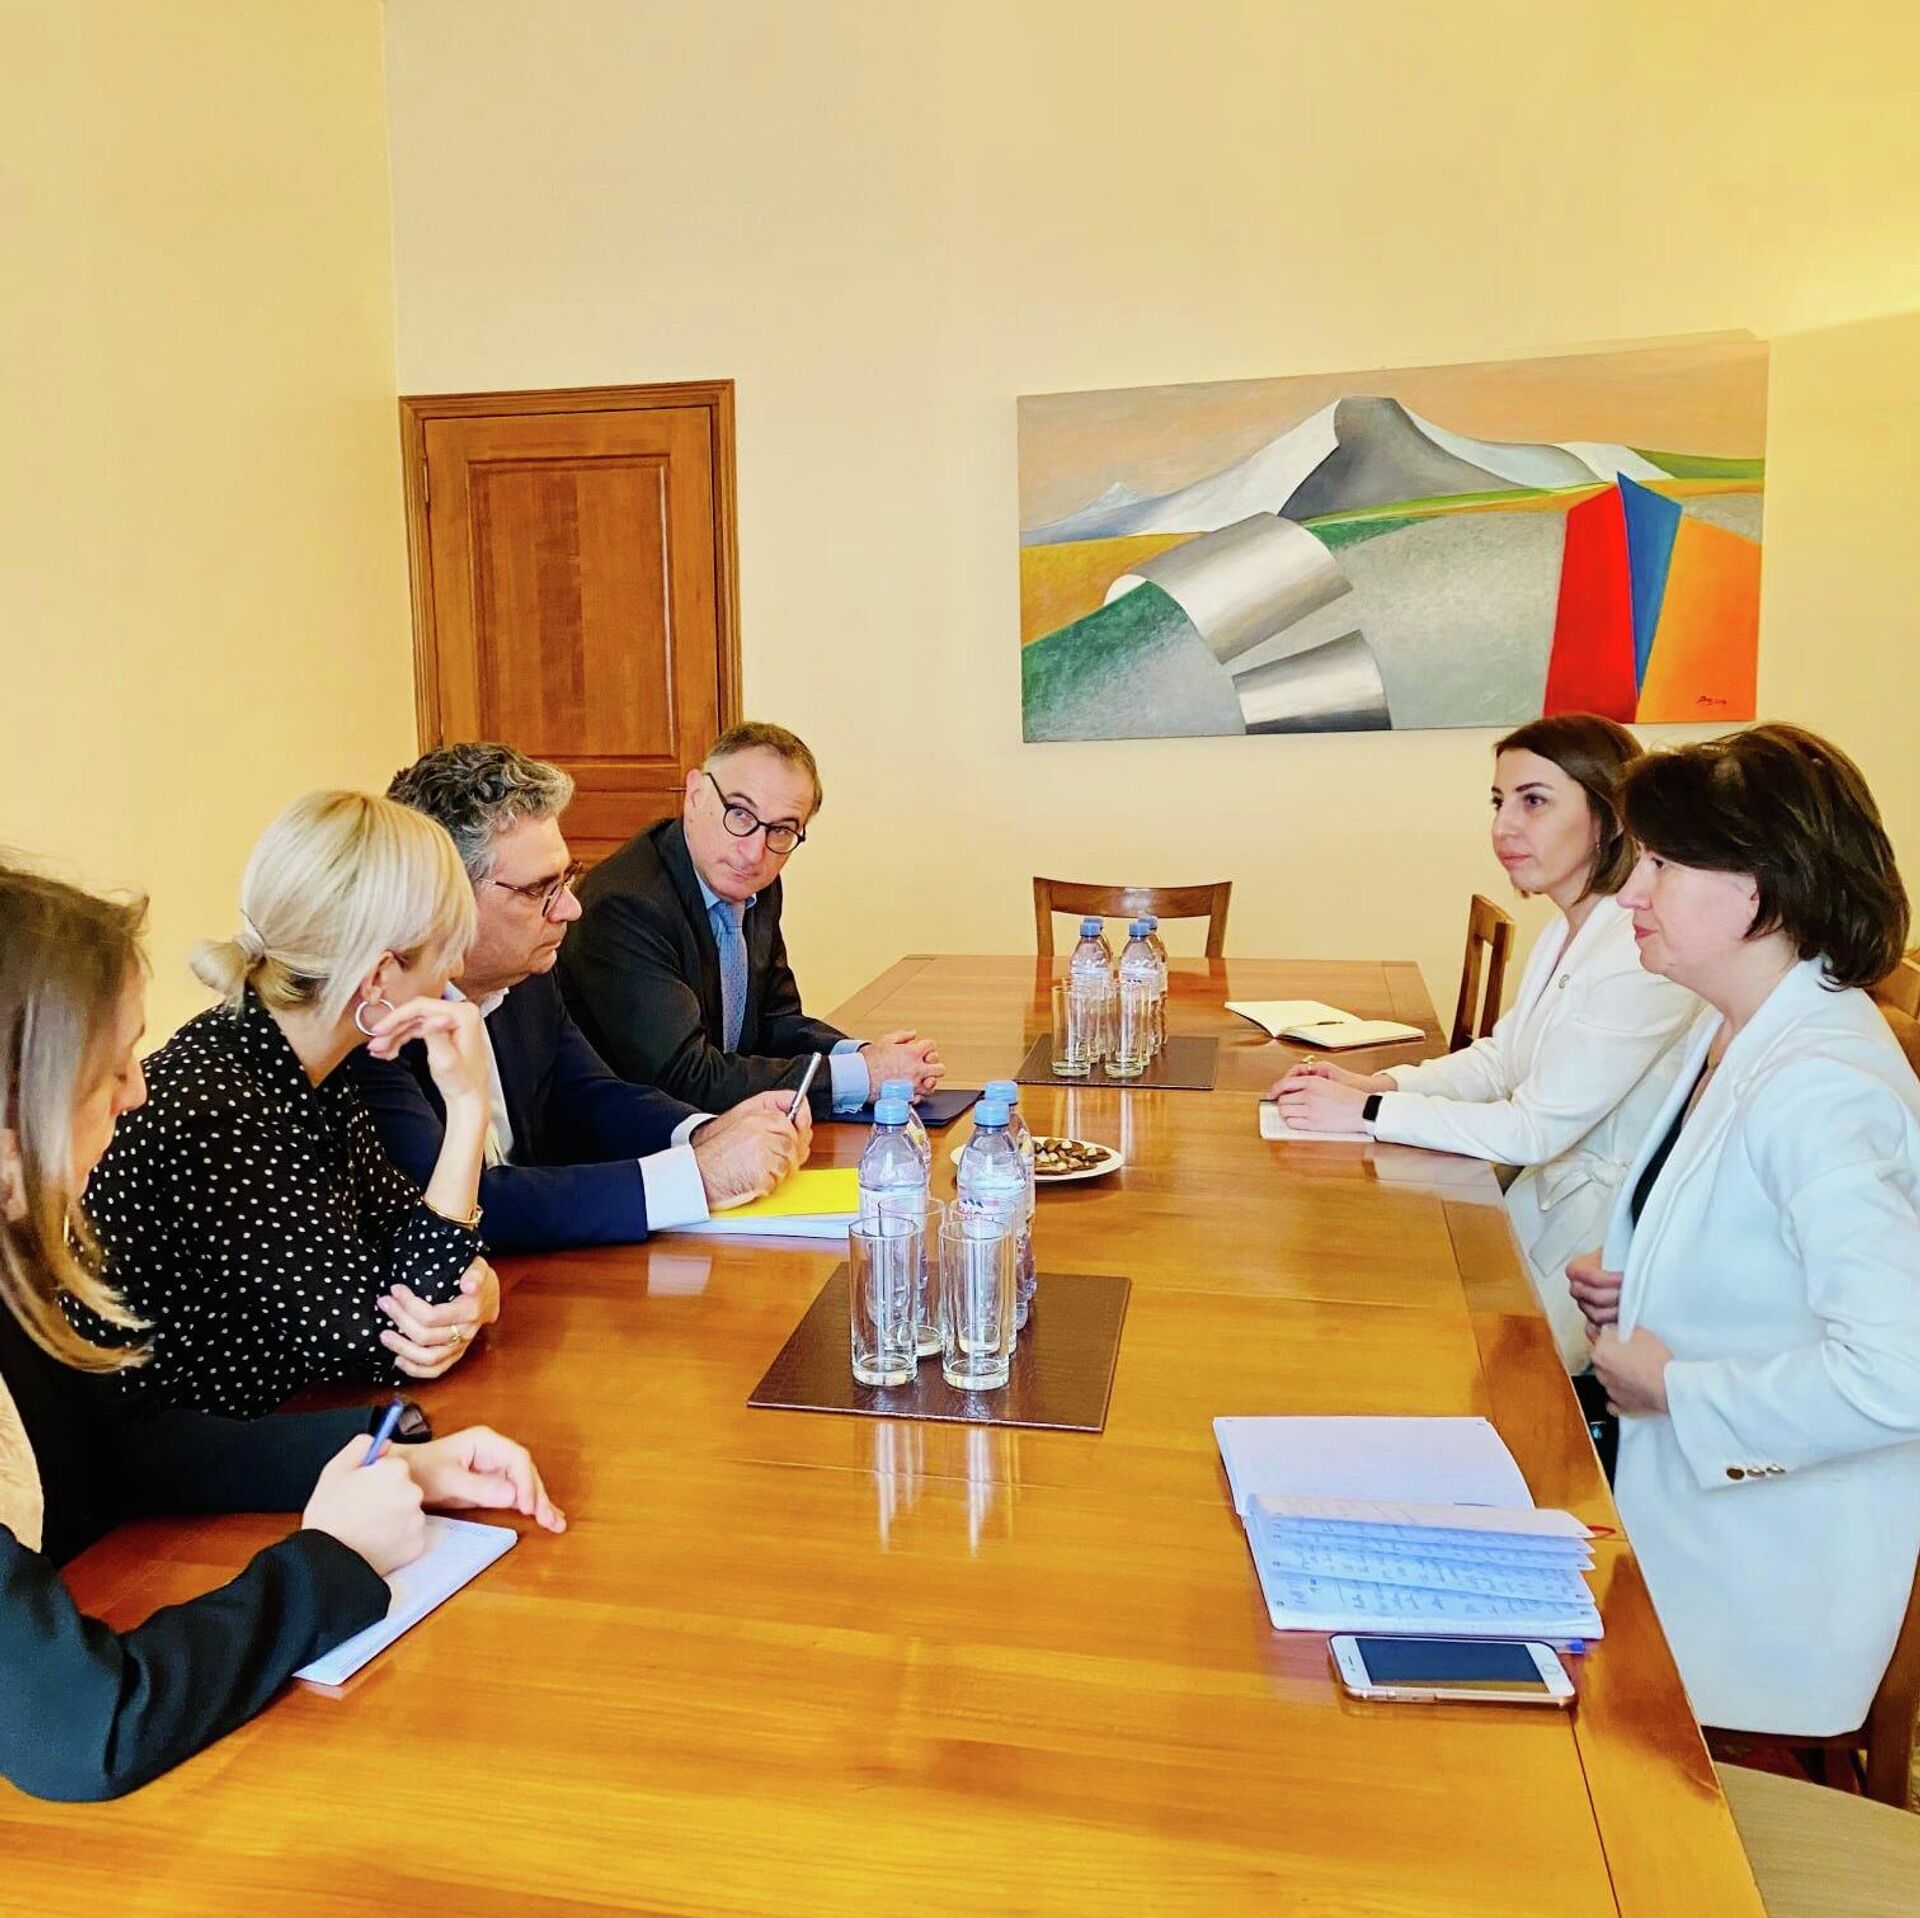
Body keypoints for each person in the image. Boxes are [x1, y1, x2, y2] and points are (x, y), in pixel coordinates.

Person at [0, 864, 564, 1802]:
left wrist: (389, 1459)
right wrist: (330, 1561)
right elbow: (87, 1731)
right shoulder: (211, 1100)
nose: (136, 1094)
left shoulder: (17, 1243)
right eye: (111, 1068)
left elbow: (112, 1447)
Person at [1570, 723, 1920, 1736]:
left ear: (1761, 887)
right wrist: (1640, 1273)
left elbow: (1901, 1371)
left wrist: (1677, 1386)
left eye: (1662, 865)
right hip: (1670, 1505)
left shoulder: (1822, 1088)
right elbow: (1754, 1243)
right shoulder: (1735, 1025)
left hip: (1759, 1587)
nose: (1630, 894)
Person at [1270, 714, 1697, 1370]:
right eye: (1499, 802)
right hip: (1535, 1204)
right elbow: (1502, 1060)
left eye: (1534, 801)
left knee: (1371, 1321)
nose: (1504, 827)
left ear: (1609, 817)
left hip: (1598, 1248)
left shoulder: (1636, 951)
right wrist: (1381, 1083)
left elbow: (1534, 1130)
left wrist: (1370, 1113)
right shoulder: (1568, 927)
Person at [80, 792, 504, 1417]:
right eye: (449, 948)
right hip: (185, 1463)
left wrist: (477, 1292)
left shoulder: (307, 1062)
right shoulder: (214, 1112)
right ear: (379, 976)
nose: (460, 966)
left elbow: (406, 1241)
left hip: (287, 1422)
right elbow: (386, 1343)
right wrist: (468, 1108)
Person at [353, 743, 809, 1252]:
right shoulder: (374, 1018)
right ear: (443, 898)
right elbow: (461, 1207)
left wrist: (705, 1133)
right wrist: (698, 1178)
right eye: (539, 890)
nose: (570, 909)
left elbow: (589, 1096)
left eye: (566, 879)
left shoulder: (528, 973)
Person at [557, 722, 944, 1112]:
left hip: (729, 1130)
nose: (755, 852)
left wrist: (864, 1056)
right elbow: (685, 1077)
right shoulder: (627, 905)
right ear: (695, 795)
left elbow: (774, 1024)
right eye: (740, 814)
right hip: (629, 1138)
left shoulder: (752, 881)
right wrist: (862, 1075)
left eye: (782, 829)